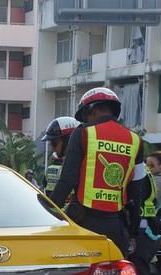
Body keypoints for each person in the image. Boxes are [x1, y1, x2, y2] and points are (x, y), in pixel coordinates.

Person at [50, 87, 145, 255]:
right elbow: (137, 190)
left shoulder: (83, 132)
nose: (85, 121)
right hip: (117, 226)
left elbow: (68, 180)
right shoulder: (136, 140)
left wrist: (49, 214)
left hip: (84, 224)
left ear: (92, 110)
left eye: (85, 116)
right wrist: (133, 230)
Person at [41, 116, 80, 197]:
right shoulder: (76, 163)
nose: (52, 148)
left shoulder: (80, 164)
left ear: (69, 140)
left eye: (54, 143)